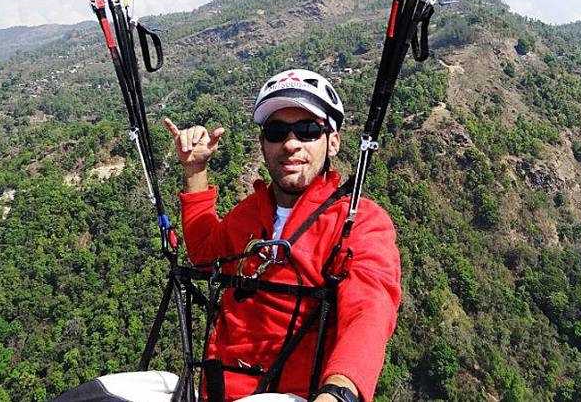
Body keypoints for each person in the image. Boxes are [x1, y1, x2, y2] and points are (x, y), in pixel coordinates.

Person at [163, 69, 402, 402]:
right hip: (216, 389)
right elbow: (206, 253)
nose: (290, 143)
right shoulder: (252, 211)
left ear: (332, 142)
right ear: (263, 143)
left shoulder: (358, 222)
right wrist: (195, 172)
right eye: (277, 131)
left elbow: (368, 310)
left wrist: (339, 391)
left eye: (307, 131)